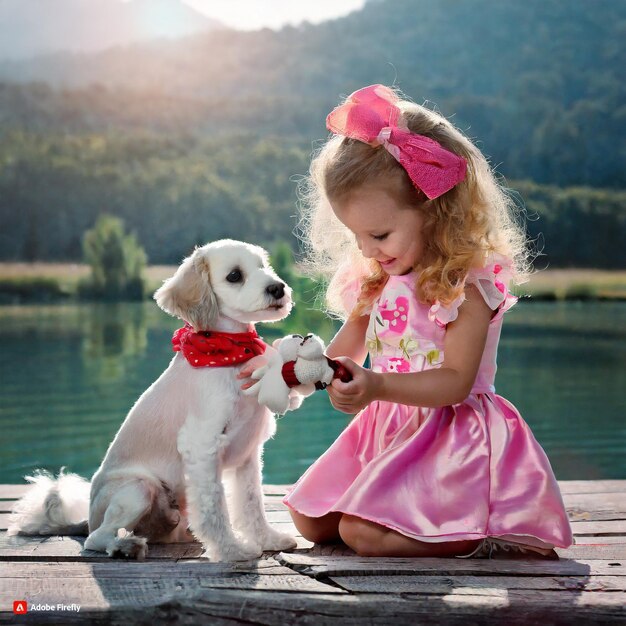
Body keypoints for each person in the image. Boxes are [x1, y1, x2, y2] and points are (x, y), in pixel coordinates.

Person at [257, 85, 572, 558]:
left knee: (363, 536)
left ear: (434, 210)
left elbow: (455, 383)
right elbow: (346, 351)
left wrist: (377, 386)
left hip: (449, 439)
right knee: (310, 517)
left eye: (379, 234)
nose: (366, 250)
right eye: (356, 235)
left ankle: (480, 528)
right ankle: (400, 515)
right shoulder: (376, 281)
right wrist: (299, 370)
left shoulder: (466, 287)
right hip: (387, 428)